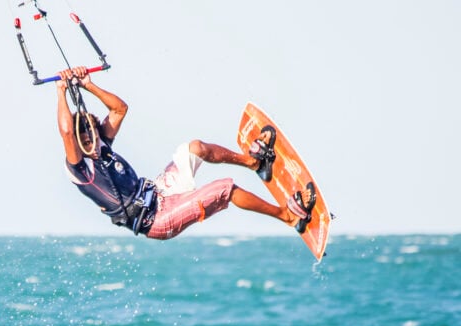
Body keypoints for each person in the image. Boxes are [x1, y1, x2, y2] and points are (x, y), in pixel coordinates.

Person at [55, 66, 315, 239]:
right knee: (226, 189)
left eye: (92, 129)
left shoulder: (102, 146)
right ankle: (288, 216)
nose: (91, 135)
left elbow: (119, 109)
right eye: (85, 134)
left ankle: (253, 162)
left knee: (195, 148)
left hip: (158, 192)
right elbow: (67, 132)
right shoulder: (81, 170)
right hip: (157, 219)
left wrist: (88, 84)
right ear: (77, 142)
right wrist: (62, 90)